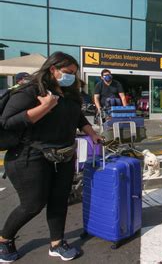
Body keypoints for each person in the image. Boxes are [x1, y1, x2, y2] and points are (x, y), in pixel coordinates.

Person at [0, 52, 102, 262]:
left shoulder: (70, 92)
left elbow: (78, 115)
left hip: (63, 155)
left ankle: (57, 243)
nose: (71, 77)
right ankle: (4, 240)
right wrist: (45, 107)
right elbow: (7, 122)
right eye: (67, 72)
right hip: (30, 156)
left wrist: (91, 133)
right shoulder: (30, 90)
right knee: (32, 204)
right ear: (53, 69)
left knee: (59, 200)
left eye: (74, 73)